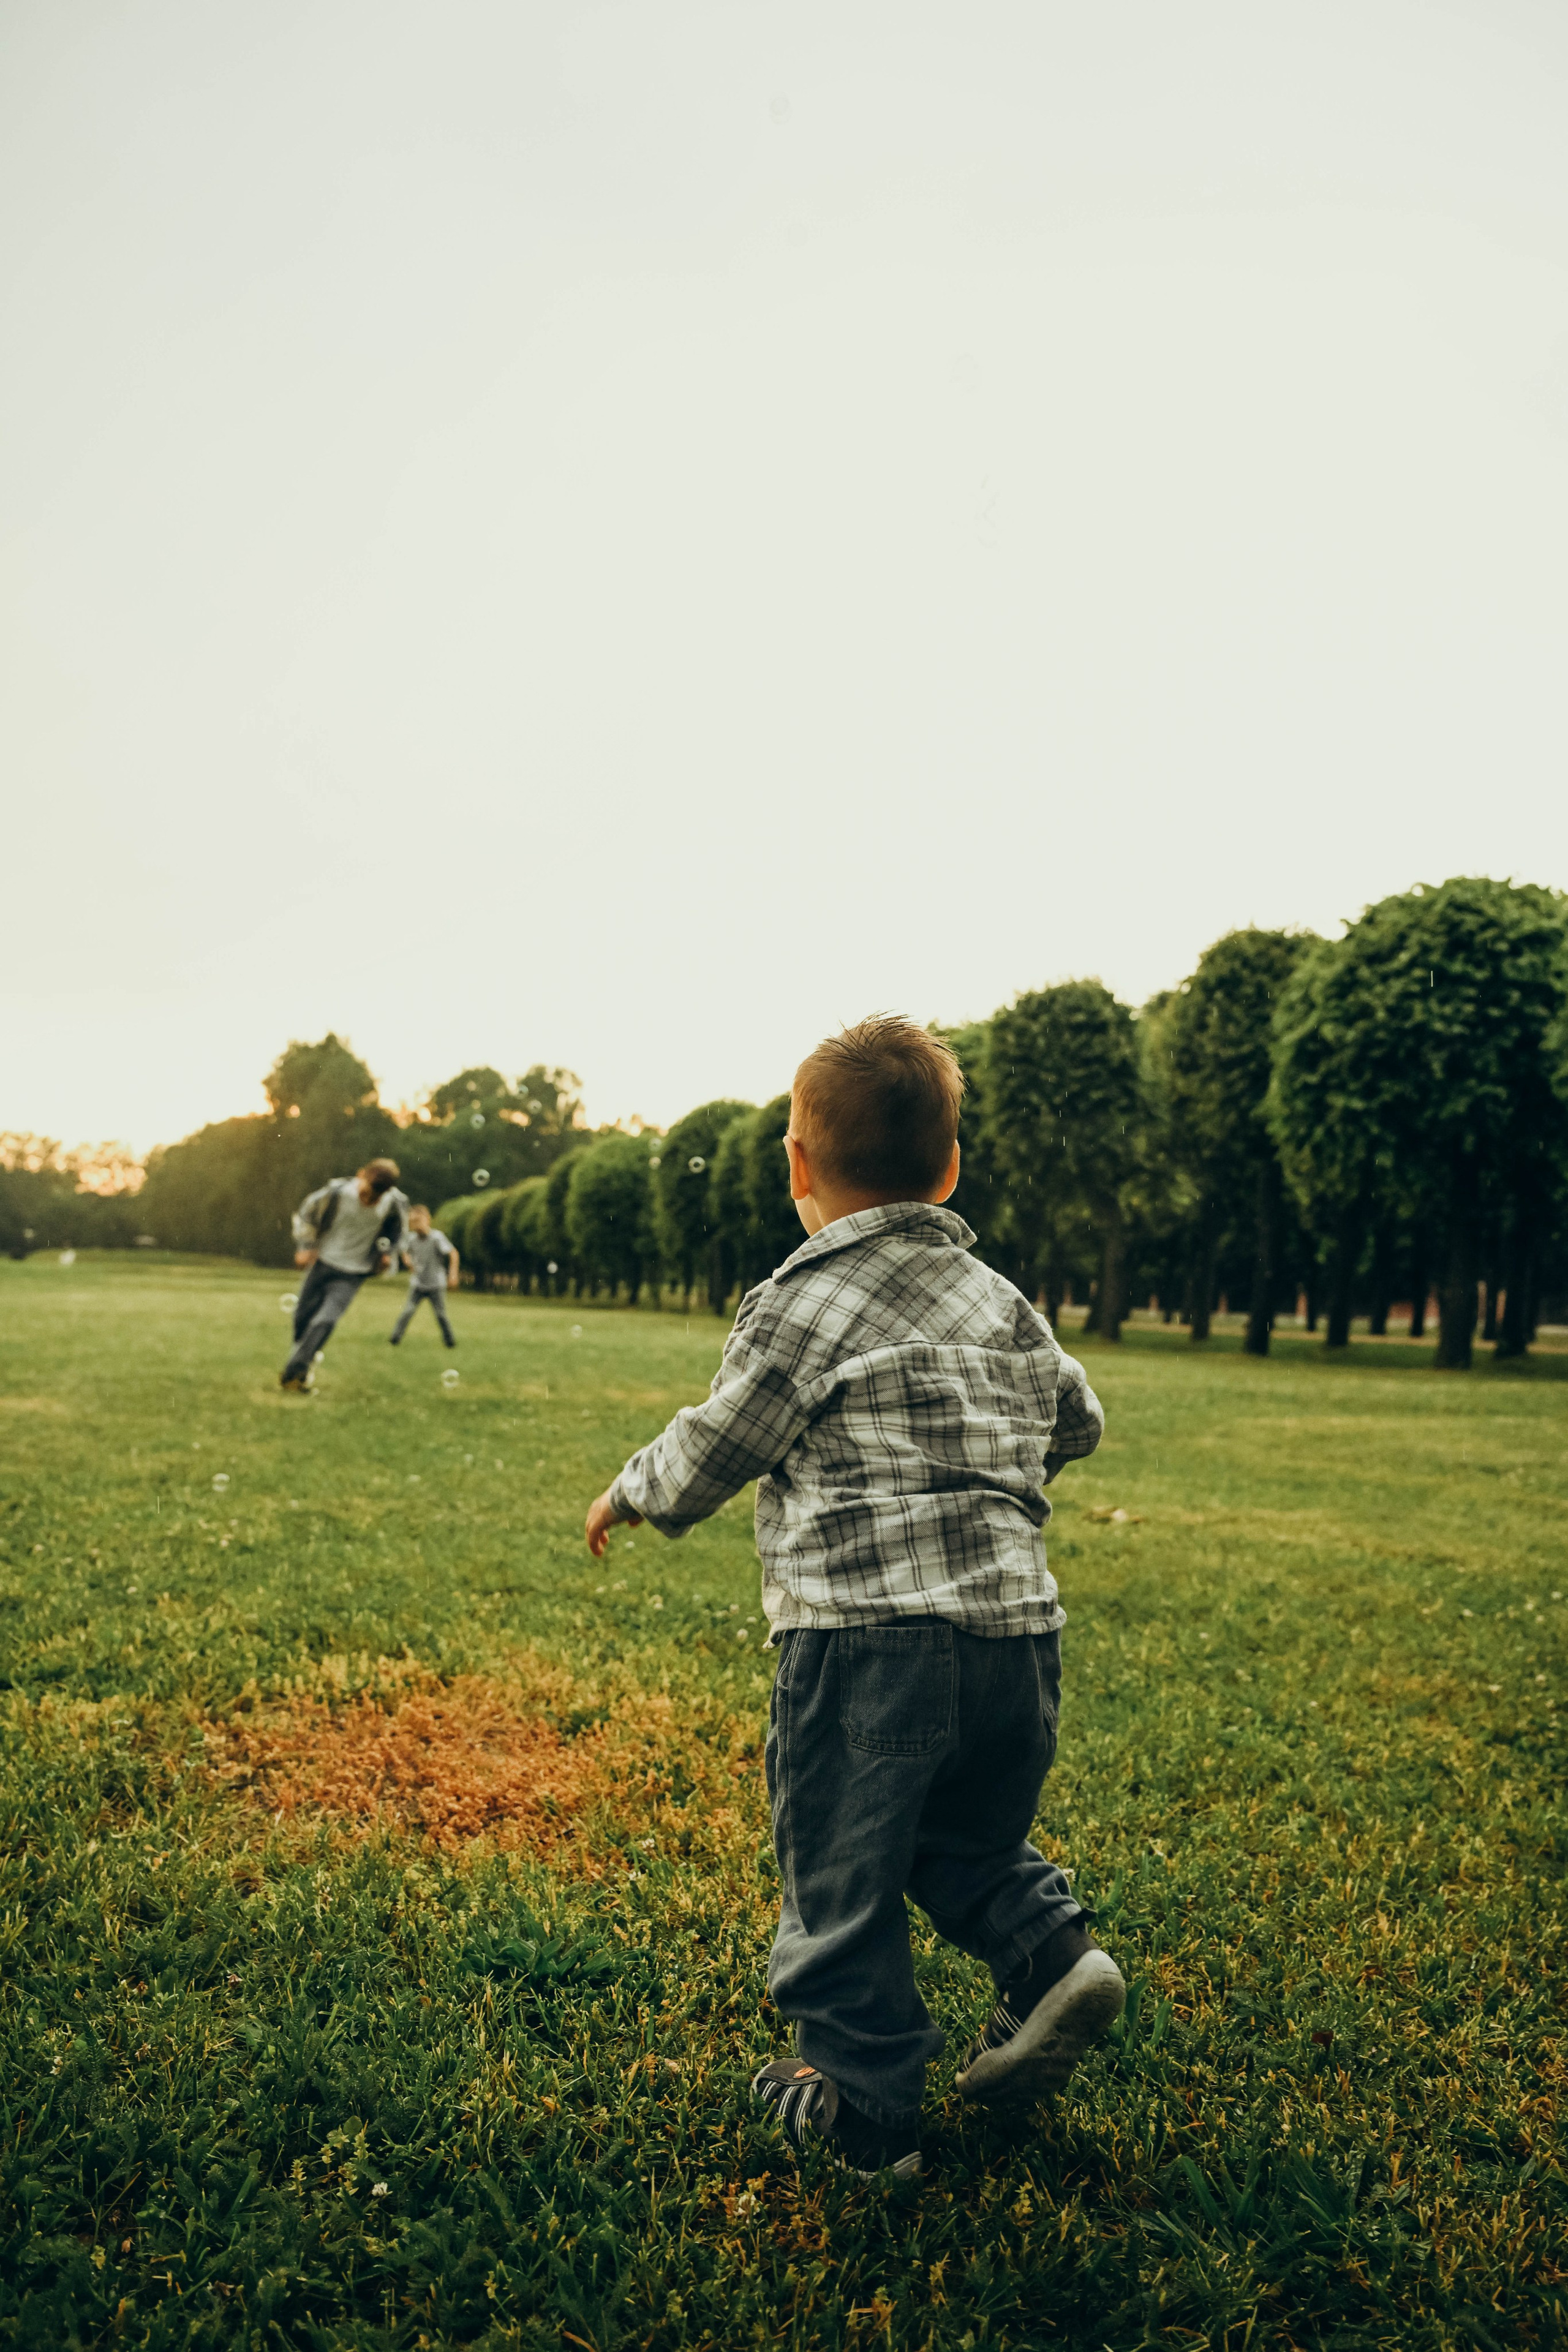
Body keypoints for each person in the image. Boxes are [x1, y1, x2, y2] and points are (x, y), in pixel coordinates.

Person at [584, 1016, 1123, 2180]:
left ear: (796, 1166)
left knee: (839, 1867)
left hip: (864, 1644)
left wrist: (634, 1493)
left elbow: (722, 1441)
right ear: (950, 1168)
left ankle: (867, 2115)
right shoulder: (1000, 1300)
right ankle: (1053, 1954)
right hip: (1018, 1641)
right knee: (959, 1830)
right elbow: (1076, 1420)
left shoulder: (800, 1300)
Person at [280, 1158, 408, 1392]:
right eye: (368, 1192)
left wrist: (387, 1253)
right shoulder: (337, 1193)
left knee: (326, 1320)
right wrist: (306, 1247)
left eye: (377, 1197)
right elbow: (308, 1212)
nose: (369, 1200)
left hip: (353, 1272)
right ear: (361, 1175)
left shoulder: (394, 1203)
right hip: (322, 1262)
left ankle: (294, 1374)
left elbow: (397, 1232)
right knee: (302, 1318)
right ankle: (302, 1362)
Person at [390, 1204, 459, 1348]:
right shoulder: (411, 1239)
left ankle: (450, 1342)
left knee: (441, 1315)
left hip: (436, 1283)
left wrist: (453, 1274)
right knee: (408, 1311)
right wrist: (407, 1259)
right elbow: (404, 1250)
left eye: (418, 1221)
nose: (415, 1225)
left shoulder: (437, 1238)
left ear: (428, 1220)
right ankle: (395, 1339)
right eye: (413, 1222)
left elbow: (453, 1253)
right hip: (418, 1283)